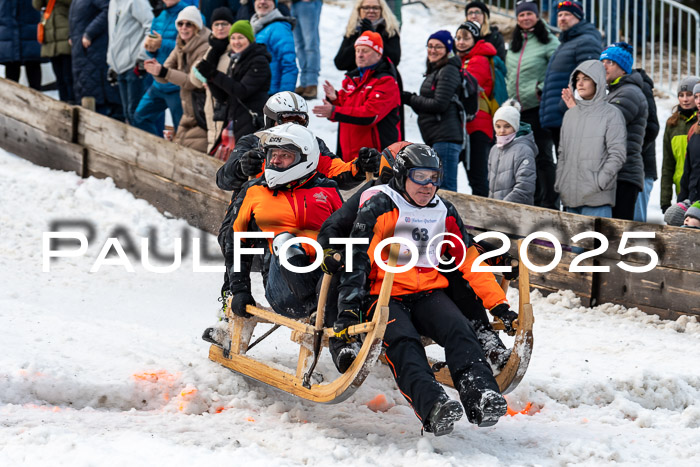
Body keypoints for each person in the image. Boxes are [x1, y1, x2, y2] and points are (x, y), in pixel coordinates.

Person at [333, 144, 514, 435]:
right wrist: (349, 310)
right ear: (403, 175)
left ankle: (480, 394)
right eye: (420, 177)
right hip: (385, 294)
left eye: (434, 178)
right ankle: (433, 406)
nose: (428, 186)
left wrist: (498, 303)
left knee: (459, 329)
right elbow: (357, 260)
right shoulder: (380, 205)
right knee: (404, 341)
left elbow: (467, 258)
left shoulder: (443, 210)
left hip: (428, 292)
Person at [208, 91, 380, 321]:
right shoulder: (254, 142)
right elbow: (223, 179)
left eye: (299, 121)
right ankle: (229, 310)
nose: (293, 126)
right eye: (287, 119)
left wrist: (359, 167)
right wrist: (241, 166)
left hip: (300, 214)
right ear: (272, 121)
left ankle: (331, 301)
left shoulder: (310, 145)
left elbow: (336, 170)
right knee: (235, 237)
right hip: (258, 216)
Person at [227, 123, 343, 319]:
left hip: (325, 278)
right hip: (285, 291)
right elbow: (237, 243)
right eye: (273, 154)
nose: (275, 161)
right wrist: (240, 290)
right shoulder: (254, 190)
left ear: (304, 158)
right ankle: (315, 309)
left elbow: (346, 233)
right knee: (285, 240)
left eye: (285, 155)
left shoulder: (327, 190)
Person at [312, 31, 401, 162]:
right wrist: (334, 99)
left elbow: (370, 115)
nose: (360, 55)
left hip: (375, 158)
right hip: (350, 155)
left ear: (378, 54)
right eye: (357, 50)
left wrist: (334, 111)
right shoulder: (351, 78)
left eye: (365, 51)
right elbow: (343, 109)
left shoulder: (386, 81)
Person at [506, 0, 559, 209]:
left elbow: (558, 70)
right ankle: (534, 202)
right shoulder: (515, 44)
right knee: (525, 158)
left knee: (544, 155)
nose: (525, 18)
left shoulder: (548, 41)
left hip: (540, 107)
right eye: (521, 15)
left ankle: (550, 204)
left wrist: (541, 89)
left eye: (529, 14)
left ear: (537, 16)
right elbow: (511, 74)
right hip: (519, 111)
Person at [557, 60, 626, 217]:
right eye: (577, 79)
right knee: (573, 242)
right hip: (571, 199)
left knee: (595, 242)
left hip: (597, 201)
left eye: (586, 78)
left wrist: (599, 183)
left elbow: (617, 154)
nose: (580, 83)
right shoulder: (571, 114)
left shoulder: (612, 114)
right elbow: (563, 153)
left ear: (598, 81)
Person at [194, 18, 270, 151]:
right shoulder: (236, 59)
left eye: (240, 37)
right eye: (233, 38)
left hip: (251, 121)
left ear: (250, 39)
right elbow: (224, 97)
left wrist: (214, 74)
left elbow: (241, 91)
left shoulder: (259, 61)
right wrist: (209, 79)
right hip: (235, 119)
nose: (236, 42)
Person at [402, 30, 462, 192]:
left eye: (438, 47)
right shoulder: (436, 70)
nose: (433, 50)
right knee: (438, 188)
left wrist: (410, 98)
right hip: (438, 138)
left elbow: (439, 104)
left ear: (448, 50)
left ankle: (451, 218)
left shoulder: (449, 70)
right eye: (430, 46)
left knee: (446, 189)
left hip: (446, 138)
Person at [539, 1, 602, 153]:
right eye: (560, 15)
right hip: (560, 118)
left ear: (578, 18)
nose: (562, 18)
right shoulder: (565, 43)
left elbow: (590, 79)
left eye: (567, 14)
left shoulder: (586, 41)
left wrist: (565, 105)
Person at [145, 5, 210, 152]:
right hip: (188, 107)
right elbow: (165, 72)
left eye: (189, 24)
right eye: (180, 24)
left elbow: (193, 81)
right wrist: (155, 69)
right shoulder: (180, 43)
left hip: (202, 109)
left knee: (193, 150)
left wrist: (162, 72)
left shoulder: (205, 47)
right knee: (180, 147)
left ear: (197, 27)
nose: (184, 28)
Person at [599, 42, 648, 221]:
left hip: (624, 174)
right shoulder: (613, 92)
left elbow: (605, 125)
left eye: (610, 62)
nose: (603, 66)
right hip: (616, 173)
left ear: (623, 68)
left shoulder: (629, 92)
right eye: (602, 61)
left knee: (617, 233)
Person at [454, 21, 496, 197]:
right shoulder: (461, 60)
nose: (461, 42)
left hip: (477, 126)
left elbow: (465, 86)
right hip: (465, 125)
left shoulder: (478, 59)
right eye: (458, 38)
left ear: (475, 39)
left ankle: (484, 221)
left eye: (466, 38)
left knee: (478, 178)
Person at [133, 0, 187, 137]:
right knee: (139, 117)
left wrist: (162, 43)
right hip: (158, 83)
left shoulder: (188, 15)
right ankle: (157, 150)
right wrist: (150, 49)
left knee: (182, 131)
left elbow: (189, 47)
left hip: (177, 85)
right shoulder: (159, 17)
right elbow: (156, 50)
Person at [189, 6, 236, 153]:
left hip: (228, 109)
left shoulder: (235, 49)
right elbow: (194, 78)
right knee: (213, 144)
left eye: (224, 24)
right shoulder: (212, 49)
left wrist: (210, 77)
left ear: (231, 26)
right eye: (216, 24)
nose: (220, 28)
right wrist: (202, 74)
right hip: (210, 107)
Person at [68, 0, 123, 119]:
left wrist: (89, 33)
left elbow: (108, 9)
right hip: (82, 54)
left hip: (95, 52)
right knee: (87, 94)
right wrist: (71, 35)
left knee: (100, 99)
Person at [107, 0, 153, 125]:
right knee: (127, 113)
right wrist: (112, 64)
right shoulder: (113, 2)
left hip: (134, 65)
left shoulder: (136, 2)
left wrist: (143, 57)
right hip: (119, 66)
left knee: (137, 113)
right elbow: (113, 35)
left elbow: (151, 26)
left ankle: (145, 144)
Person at [660, 76, 700, 213]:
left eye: (689, 95)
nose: (685, 99)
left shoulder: (697, 125)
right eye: (681, 95)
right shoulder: (672, 124)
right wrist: (665, 201)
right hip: (682, 193)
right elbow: (667, 164)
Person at [488, 100, 536, 204]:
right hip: (496, 212)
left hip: (516, 212)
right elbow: (491, 187)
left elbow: (525, 187)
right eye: (498, 126)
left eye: (507, 126)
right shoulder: (494, 150)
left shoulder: (523, 150)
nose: (502, 131)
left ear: (515, 126)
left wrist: (501, 207)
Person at [334, 0, 400, 73]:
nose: (371, 11)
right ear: (359, 10)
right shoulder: (353, 30)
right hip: (357, 80)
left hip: (381, 79)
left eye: (375, 8)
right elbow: (340, 63)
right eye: (366, 8)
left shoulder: (390, 30)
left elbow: (394, 61)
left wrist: (374, 37)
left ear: (382, 10)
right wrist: (361, 40)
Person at [249, 0, 297, 95]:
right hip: (255, 92)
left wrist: (284, 99)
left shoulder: (279, 28)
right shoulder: (253, 27)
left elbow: (289, 66)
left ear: (275, 4)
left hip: (271, 94)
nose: (262, 2)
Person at [632, 67, 659, 222]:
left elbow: (652, 127)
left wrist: (632, 151)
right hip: (626, 170)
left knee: (636, 224)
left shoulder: (641, 86)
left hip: (642, 169)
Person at [33, 0, 73, 102]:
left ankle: (72, 102)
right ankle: (63, 103)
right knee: (59, 78)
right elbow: (37, 5)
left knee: (69, 77)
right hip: (51, 38)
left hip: (65, 35)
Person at [0, 0, 43, 91]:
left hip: (30, 34)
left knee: (33, 67)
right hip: (9, 35)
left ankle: (37, 101)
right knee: (12, 71)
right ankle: (11, 101)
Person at [291, 0, 322, 100]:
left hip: (308, 4)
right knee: (299, 45)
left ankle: (312, 83)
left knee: (310, 44)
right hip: (292, 3)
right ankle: (304, 83)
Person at [679, 86, 700, 205]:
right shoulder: (694, 130)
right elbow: (688, 170)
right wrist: (682, 200)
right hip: (694, 199)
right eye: (696, 97)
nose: (698, 101)